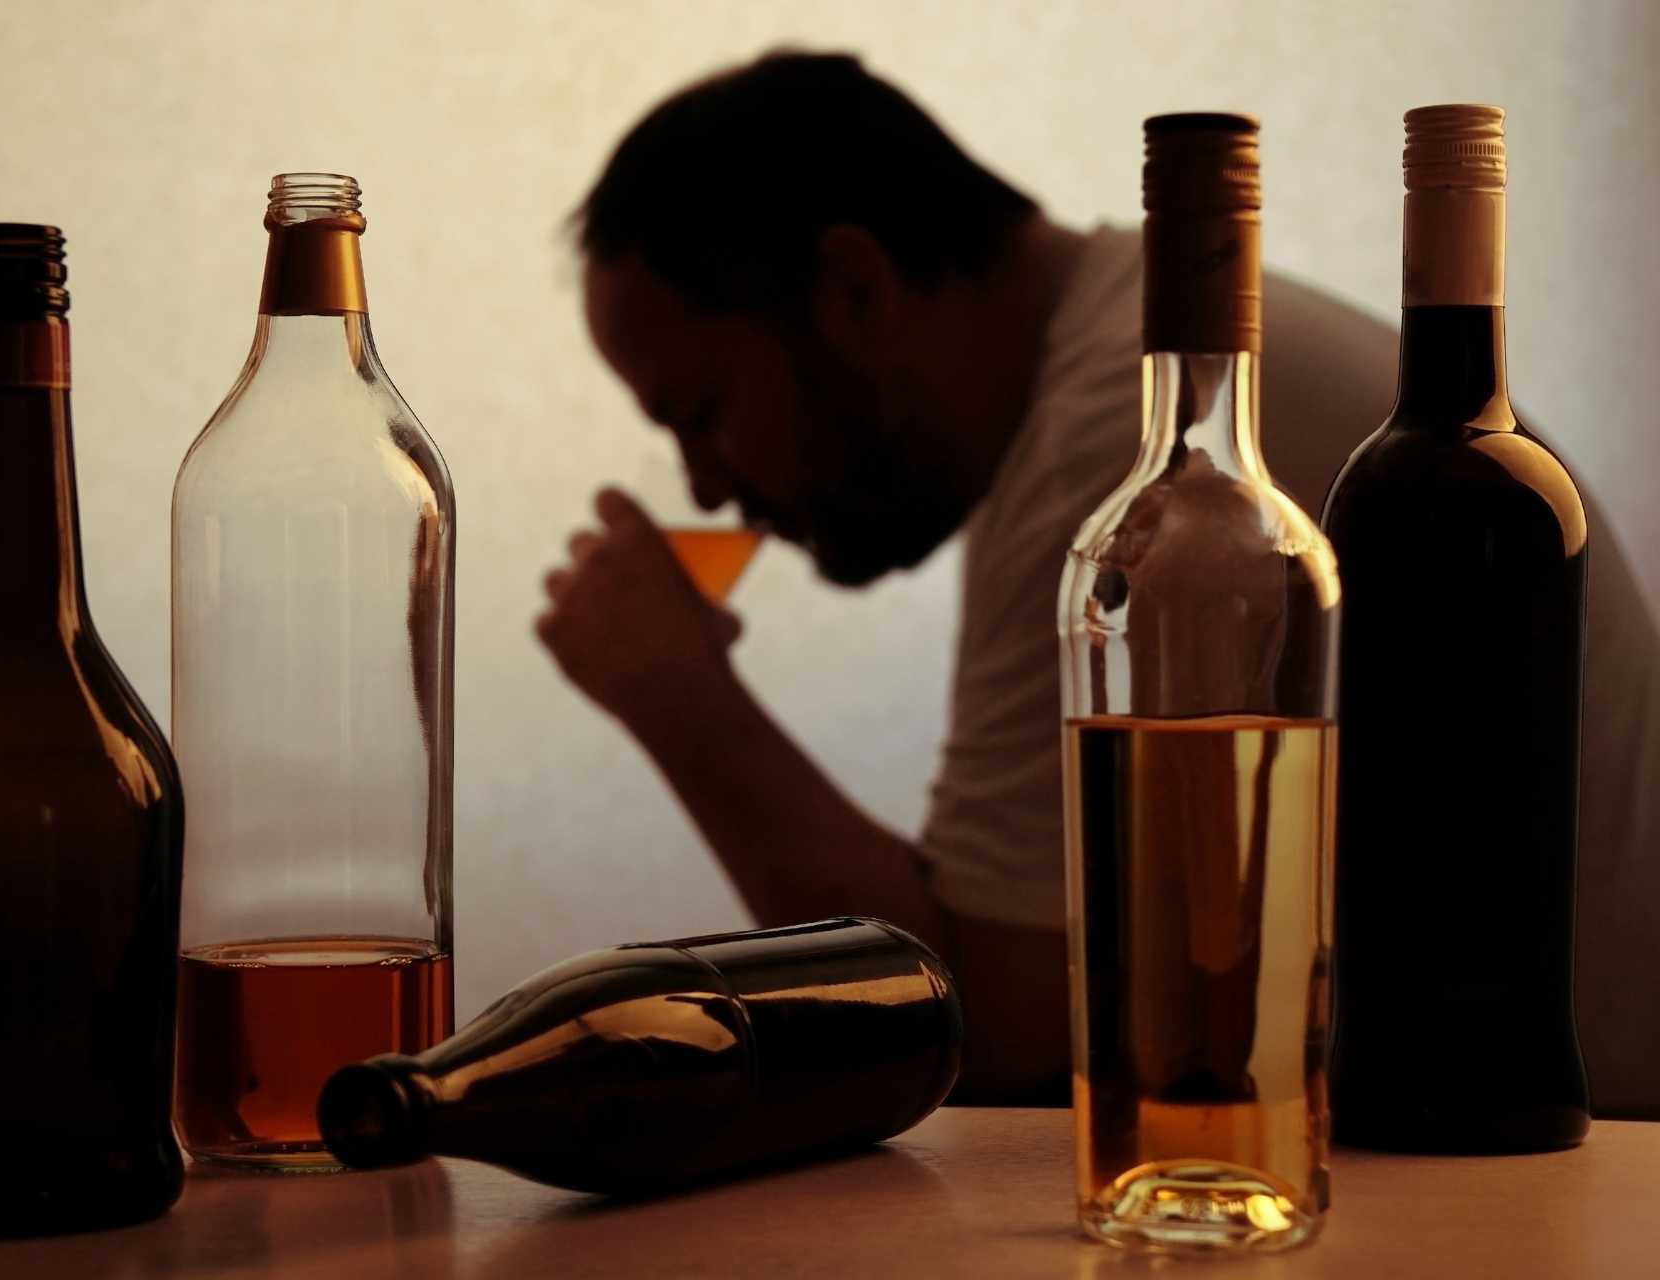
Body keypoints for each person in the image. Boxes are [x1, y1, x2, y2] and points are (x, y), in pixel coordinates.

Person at [535, 50, 1660, 1114]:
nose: (705, 484)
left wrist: (682, 700)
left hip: (1556, 1153)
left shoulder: (1122, 444)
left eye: (701, 413)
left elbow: (1002, 1041)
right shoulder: (1085, 389)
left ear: (856, 288)